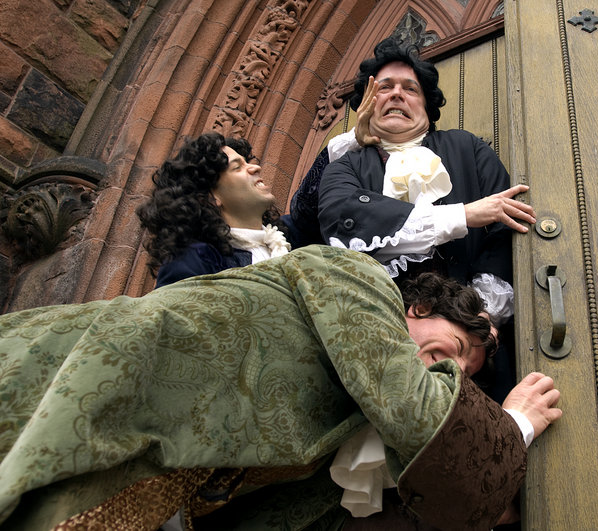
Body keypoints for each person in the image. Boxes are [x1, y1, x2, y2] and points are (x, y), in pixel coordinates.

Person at [0, 245, 562, 530]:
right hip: (74, 379)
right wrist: (512, 426)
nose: (454, 375)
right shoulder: (357, 278)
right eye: (457, 351)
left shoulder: (350, 434)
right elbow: (417, 413)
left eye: (465, 373)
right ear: (419, 307)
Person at [316, 37, 536, 399]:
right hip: (379, 340)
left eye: (410, 88)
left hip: (474, 339)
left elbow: (503, 233)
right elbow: (343, 221)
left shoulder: (467, 149)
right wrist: (461, 215)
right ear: (367, 107)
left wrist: (479, 318)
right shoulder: (345, 166)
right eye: (383, 88)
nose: (396, 94)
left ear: (427, 107)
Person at [136, 132, 295, 288]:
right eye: (237, 167)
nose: (256, 167)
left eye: (247, 162)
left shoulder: (290, 236)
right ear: (210, 197)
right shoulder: (194, 262)